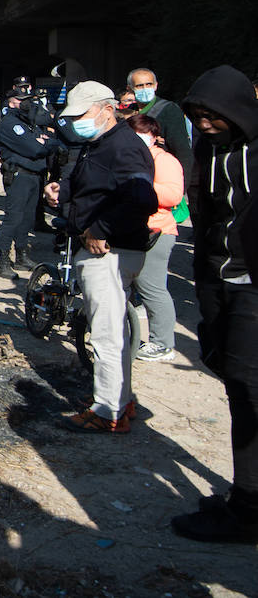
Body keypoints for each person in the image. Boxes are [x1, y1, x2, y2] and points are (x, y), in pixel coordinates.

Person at [172, 66, 258, 543]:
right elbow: (208, 214)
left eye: (213, 117)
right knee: (233, 384)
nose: (204, 125)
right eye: (197, 116)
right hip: (219, 279)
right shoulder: (210, 149)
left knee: (249, 391)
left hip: (252, 285)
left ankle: (247, 509)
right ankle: (245, 496)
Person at [44, 81, 156, 433]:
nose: (75, 122)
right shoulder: (101, 144)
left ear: (107, 110)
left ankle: (109, 412)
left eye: (81, 115)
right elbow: (96, 190)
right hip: (107, 247)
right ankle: (121, 400)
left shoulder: (123, 146)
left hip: (109, 251)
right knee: (113, 332)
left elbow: (142, 199)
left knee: (106, 335)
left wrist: (100, 229)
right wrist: (62, 194)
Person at [127, 113, 184, 363]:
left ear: (154, 136)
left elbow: (173, 196)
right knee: (136, 286)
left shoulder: (165, 160)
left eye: (145, 133)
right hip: (133, 229)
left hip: (158, 231)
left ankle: (163, 344)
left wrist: (140, 184)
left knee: (152, 289)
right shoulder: (131, 157)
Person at [0, 89, 59, 280]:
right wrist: (41, 143)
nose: (27, 103)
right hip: (19, 175)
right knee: (13, 218)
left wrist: (43, 142)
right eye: (22, 100)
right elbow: (35, 148)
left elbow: (52, 144)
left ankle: (21, 255)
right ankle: (2, 260)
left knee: (27, 219)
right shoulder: (10, 124)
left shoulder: (27, 123)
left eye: (29, 99)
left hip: (35, 175)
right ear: (12, 102)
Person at [127, 67, 195, 184]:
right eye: (139, 86)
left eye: (149, 84)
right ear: (130, 88)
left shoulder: (168, 110)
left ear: (156, 86)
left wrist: (182, 187)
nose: (145, 89)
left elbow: (182, 150)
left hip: (162, 178)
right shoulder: (127, 114)